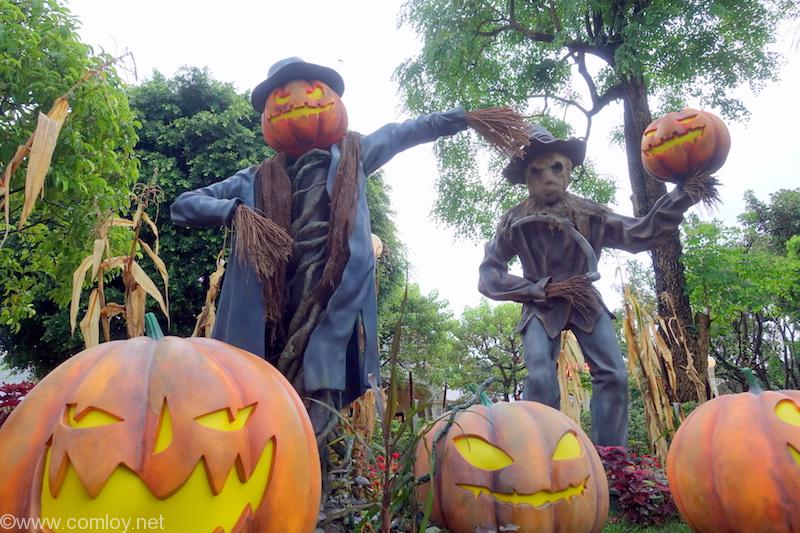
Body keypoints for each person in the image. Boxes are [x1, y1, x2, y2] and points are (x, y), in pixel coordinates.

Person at [171, 57, 523, 433]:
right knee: (265, 398)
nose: (296, 101)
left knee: (319, 388)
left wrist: (463, 118)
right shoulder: (254, 179)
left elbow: (406, 131)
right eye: (281, 96)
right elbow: (183, 205)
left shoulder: (356, 154)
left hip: (329, 303)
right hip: (271, 313)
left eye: (309, 90)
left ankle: (313, 478)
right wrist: (235, 211)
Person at [478, 125, 704, 446]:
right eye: (536, 171)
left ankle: (611, 462)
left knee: (613, 374)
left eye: (556, 167)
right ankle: (541, 455)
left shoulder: (590, 213)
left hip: (585, 300)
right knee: (540, 375)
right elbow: (488, 276)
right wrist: (540, 289)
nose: (547, 177)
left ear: (569, 171)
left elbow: (641, 233)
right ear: (526, 179)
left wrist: (683, 195)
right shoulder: (514, 222)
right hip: (540, 305)